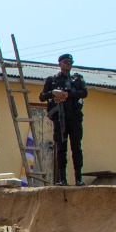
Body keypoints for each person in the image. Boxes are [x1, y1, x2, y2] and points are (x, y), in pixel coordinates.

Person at [40, 53, 89, 186]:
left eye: (70, 62)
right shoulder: (52, 80)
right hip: (60, 118)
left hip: (74, 117)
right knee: (61, 148)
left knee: (76, 148)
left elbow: (84, 93)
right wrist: (53, 93)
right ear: (60, 63)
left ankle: (78, 178)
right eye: (66, 62)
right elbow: (42, 97)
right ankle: (62, 179)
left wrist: (69, 94)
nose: (69, 64)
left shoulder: (77, 79)